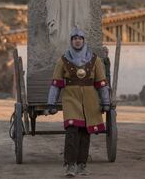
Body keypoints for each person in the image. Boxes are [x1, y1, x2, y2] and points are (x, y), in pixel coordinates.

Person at [47, 27, 110, 177]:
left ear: (83, 41)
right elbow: (56, 84)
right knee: (71, 131)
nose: (77, 41)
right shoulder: (63, 60)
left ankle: (82, 165)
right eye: (74, 38)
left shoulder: (95, 60)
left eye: (80, 38)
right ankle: (70, 165)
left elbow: (101, 83)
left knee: (85, 132)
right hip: (70, 98)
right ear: (71, 41)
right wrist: (51, 103)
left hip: (90, 100)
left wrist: (106, 101)